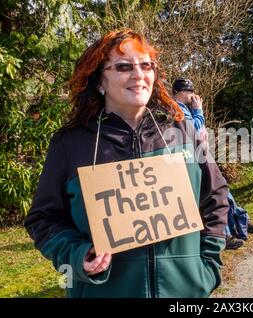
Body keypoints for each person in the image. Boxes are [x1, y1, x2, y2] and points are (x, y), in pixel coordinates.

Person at [24, 29, 229, 298]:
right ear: (99, 81)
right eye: (123, 67)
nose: (138, 75)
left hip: (186, 292)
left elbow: (215, 194)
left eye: (146, 65)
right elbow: (43, 219)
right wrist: (77, 254)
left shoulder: (183, 130)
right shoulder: (70, 144)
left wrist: (207, 265)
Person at [172, 78, 253, 250]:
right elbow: (195, 131)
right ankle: (224, 234)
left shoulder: (185, 108)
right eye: (190, 92)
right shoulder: (177, 109)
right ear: (181, 92)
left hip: (200, 155)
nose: (193, 96)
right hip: (192, 160)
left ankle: (241, 220)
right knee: (213, 195)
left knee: (222, 190)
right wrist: (199, 112)